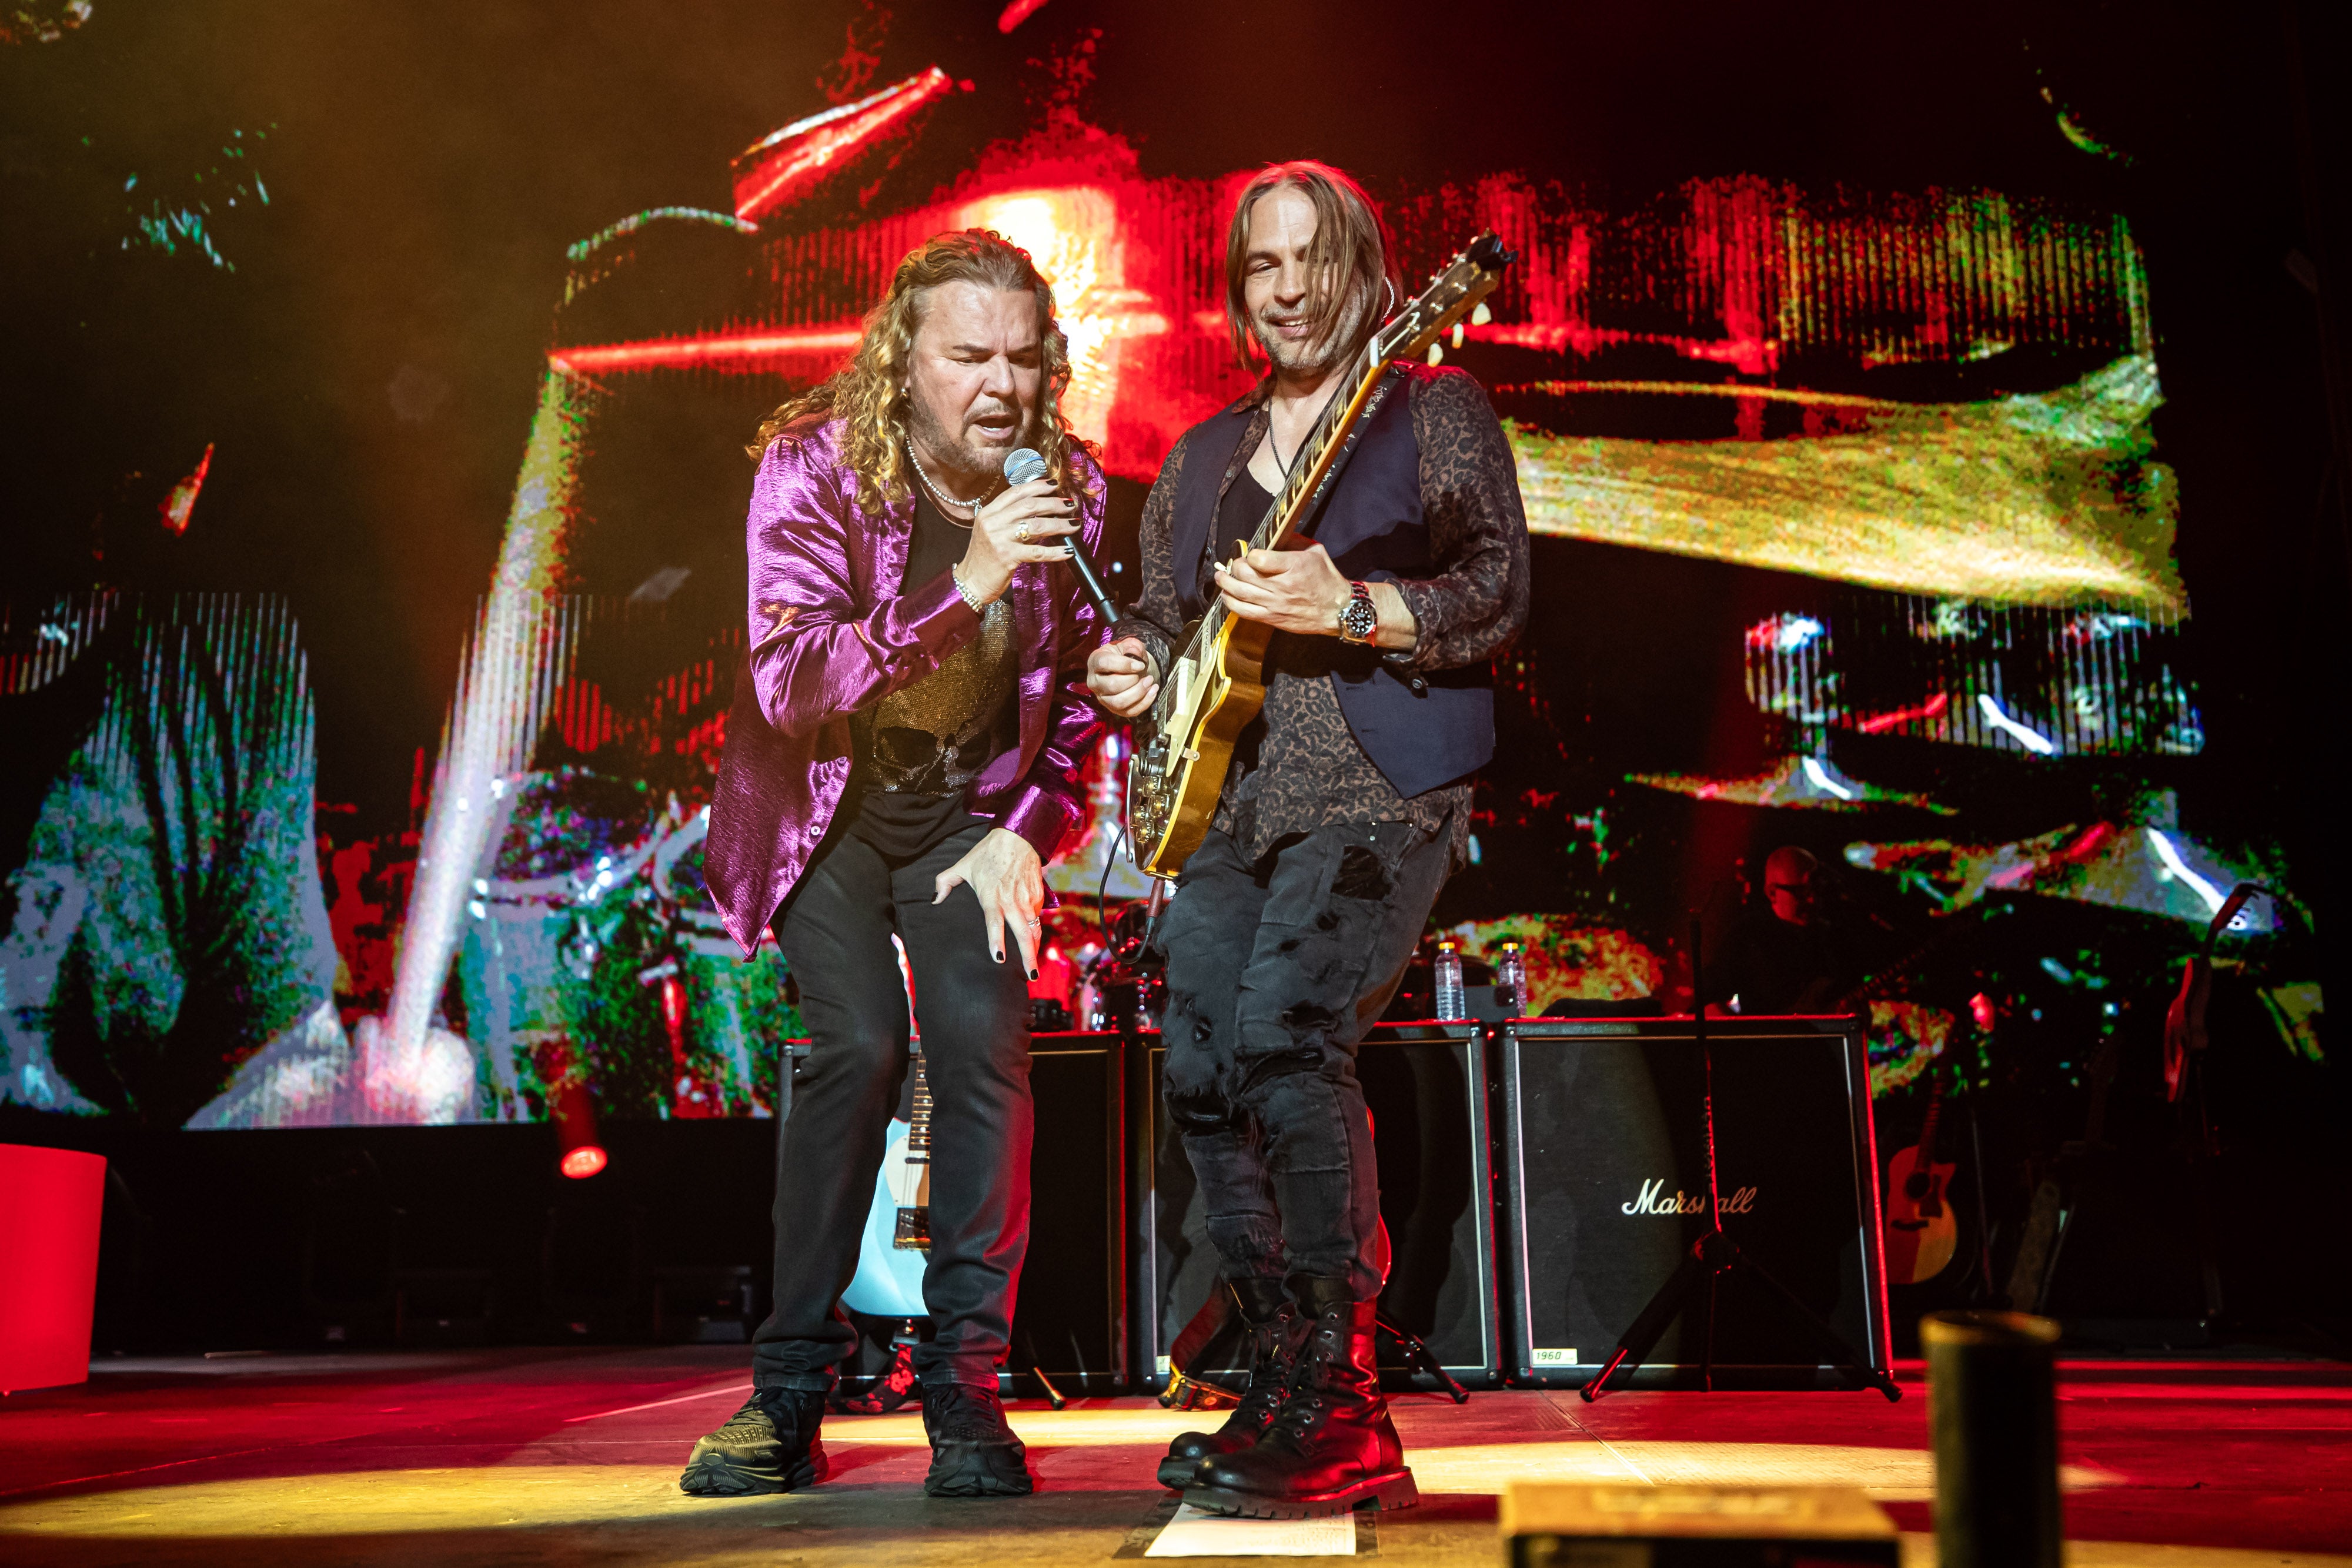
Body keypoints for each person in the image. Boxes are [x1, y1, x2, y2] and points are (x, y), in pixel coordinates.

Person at [1088, 161, 1530, 1517]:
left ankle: (1338, 1393)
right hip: (1228, 802)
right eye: (1261, 268)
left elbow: (1496, 590)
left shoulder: (1432, 410)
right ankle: (1284, 1377)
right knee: (1207, 1067)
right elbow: (1168, 626)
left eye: (1312, 261)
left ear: (1366, 270)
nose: (1288, 290)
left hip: (1376, 788)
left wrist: (1352, 610)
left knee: (1288, 1035)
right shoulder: (1202, 456)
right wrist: (1130, 669)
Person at [692, 229, 1108, 1499]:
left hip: (960, 816)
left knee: (987, 1043)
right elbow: (791, 678)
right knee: (859, 1046)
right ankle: (787, 1391)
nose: (1000, 384)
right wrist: (967, 578)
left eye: (1023, 357)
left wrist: (1022, 832)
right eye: (967, 354)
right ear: (902, 361)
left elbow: (1078, 707)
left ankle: (964, 1391)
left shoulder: (1067, 488)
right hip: (826, 807)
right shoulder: (811, 466)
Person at [1705, 845, 1854, 1014]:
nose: (1812, 900)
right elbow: (1709, 1002)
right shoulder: (1747, 936)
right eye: (1800, 892)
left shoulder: (1832, 937)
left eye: (1815, 889)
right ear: (1772, 893)